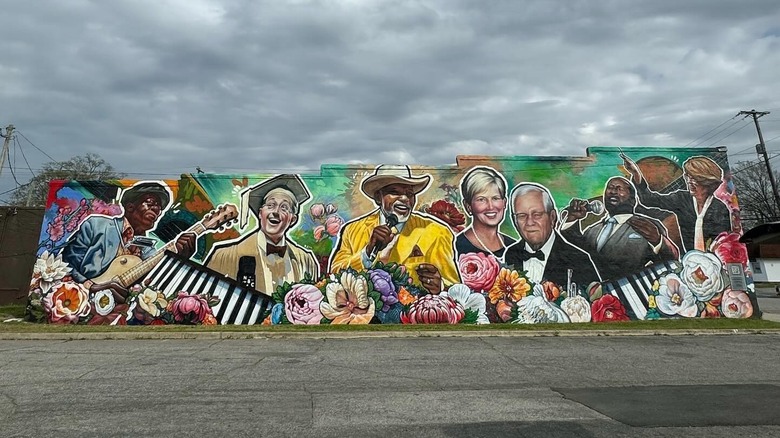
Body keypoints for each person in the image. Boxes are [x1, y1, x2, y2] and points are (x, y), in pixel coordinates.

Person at [329, 165, 460, 294]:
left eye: (410, 194)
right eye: (395, 192)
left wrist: (441, 287)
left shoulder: (436, 232)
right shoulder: (353, 230)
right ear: (378, 197)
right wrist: (368, 252)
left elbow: (455, 288)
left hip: (414, 312)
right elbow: (335, 275)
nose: (405, 199)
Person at [61, 181, 196, 301]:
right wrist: (91, 286)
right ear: (130, 207)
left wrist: (181, 258)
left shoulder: (148, 250)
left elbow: (160, 278)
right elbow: (66, 262)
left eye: (159, 208)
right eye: (150, 204)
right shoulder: (96, 226)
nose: (157, 210)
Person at [205, 174, 320, 295]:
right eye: (270, 205)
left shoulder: (307, 262)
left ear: (293, 220)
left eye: (284, 208)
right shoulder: (225, 256)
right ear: (260, 213)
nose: (275, 212)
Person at [561, 176, 679, 282]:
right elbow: (571, 250)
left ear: (633, 199)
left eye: (619, 189)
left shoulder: (649, 226)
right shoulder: (592, 230)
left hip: (630, 294)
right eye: (610, 188)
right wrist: (572, 219)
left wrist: (658, 241)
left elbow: (671, 262)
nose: (613, 191)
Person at [623, 154, 732, 253]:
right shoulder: (682, 199)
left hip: (714, 263)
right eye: (687, 176)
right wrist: (636, 173)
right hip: (689, 260)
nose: (689, 181)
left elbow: (724, 241)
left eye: (694, 178)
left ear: (707, 181)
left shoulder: (720, 209)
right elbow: (649, 199)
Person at [504, 183, 600, 289]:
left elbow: (597, 302)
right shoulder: (510, 254)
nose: (530, 222)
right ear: (514, 221)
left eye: (537, 215)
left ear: (552, 217)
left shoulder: (579, 260)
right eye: (522, 216)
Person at [455, 166, 516, 260]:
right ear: (468, 206)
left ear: (504, 203)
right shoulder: (455, 248)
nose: (490, 207)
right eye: (481, 199)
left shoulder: (515, 247)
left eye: (495, 198)